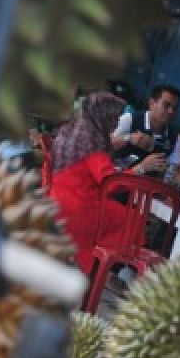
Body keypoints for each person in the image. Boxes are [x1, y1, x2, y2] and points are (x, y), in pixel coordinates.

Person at [49, 92, 166, 274]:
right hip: (80, 209)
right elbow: (111, 184)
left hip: (55, 200)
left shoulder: (67, 134)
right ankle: (111, 268)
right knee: (135, 218)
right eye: (114, 118)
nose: (116, 123)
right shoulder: (92, 144)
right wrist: (141, 168)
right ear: (103, 117)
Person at [110, 83, 180, 175]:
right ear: (151, 103)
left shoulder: (175, 137)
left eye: (175, 108)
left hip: (148, 185)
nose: (171, 111)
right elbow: (107, 145)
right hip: (118, 177)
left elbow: (174, 169)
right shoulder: (130, 119)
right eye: (166, 105)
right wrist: (129, 138)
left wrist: (168, 167)